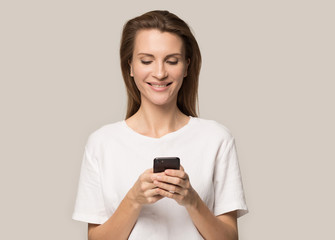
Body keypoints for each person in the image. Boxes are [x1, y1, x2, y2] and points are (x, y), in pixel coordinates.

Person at [72, 10, 248, 240]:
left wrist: (191, 200)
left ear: (186, 66)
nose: (159, 72)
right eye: (146, 60)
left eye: (172, 61)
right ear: (130, 67)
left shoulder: (216, 138)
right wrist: (134, 199)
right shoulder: (102, 143)